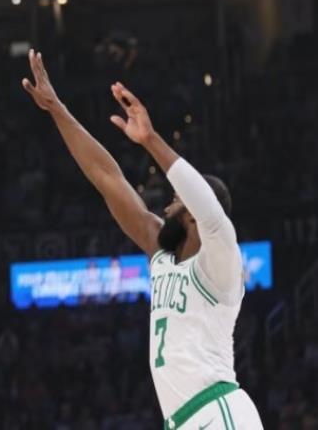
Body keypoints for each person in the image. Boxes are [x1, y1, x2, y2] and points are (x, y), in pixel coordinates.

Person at [22, 49, 263, 429]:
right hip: (181, 420)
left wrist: (151, 140)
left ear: (195, 212)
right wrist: (58, 109)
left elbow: (209, 209)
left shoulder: (220, 263)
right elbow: (107, 177)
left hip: (218, 409)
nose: (170, 195)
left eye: (180, 195)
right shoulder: (160, 251)